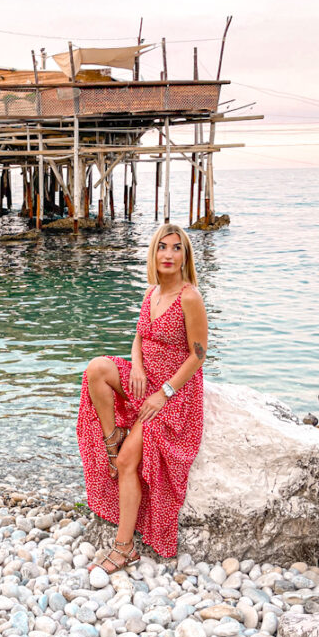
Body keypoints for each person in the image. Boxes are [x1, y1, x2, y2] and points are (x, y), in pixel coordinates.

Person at [77, 223, 207, 572]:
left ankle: (124, 548)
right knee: (96, 369)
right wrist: (136, 365)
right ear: (154, 253)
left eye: (176, 248)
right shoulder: (151, 293)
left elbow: (198, 354)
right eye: (163, 247)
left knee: (126, 463)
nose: (168, 254)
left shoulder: (189, 297)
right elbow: (139, 336)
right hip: (144, 381)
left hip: (174, 394)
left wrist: (164, 394)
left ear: (185, 256)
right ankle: (112, 439)